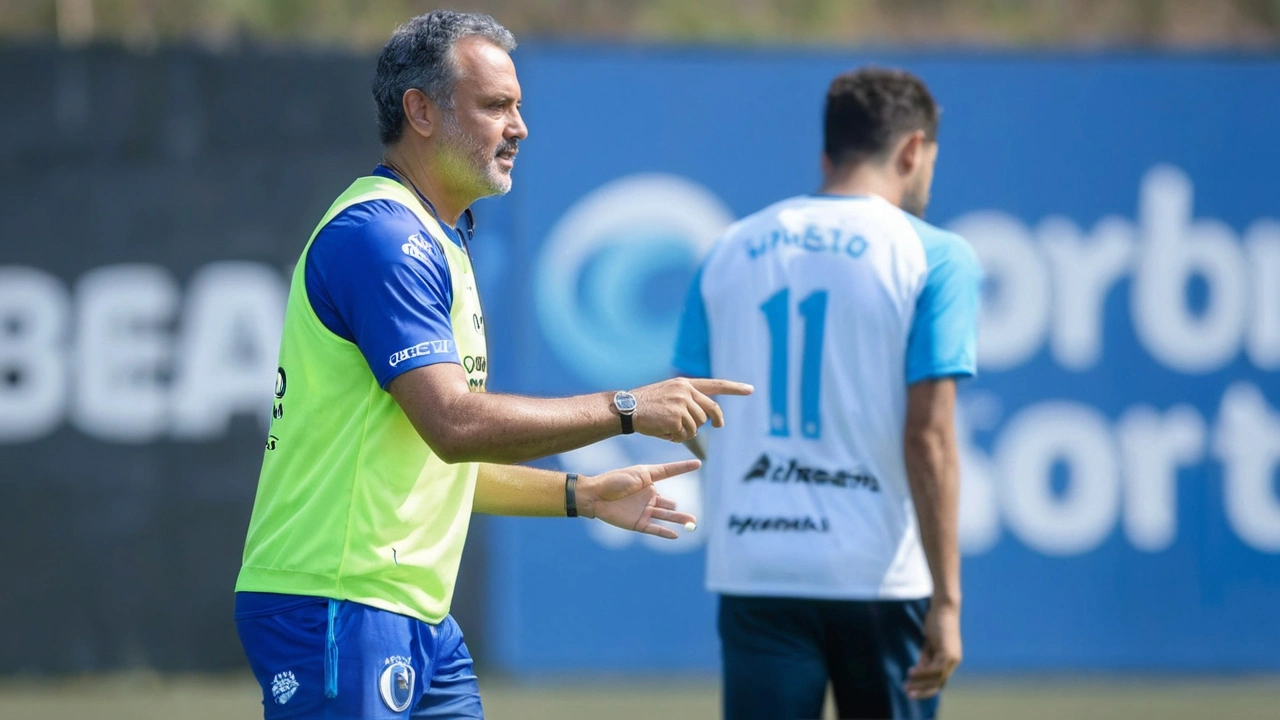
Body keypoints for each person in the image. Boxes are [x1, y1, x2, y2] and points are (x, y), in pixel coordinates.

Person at [234, 11, 752, 719]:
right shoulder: (382, 237)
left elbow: (439, 464)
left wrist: (583, 495)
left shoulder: (437, 239)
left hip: (409, 614)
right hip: (336, 603)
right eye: (495, 106)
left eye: (518, 106)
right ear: (420, 111)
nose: (520, 127)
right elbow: (455, 424)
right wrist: (626, 408)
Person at [673, 67, 981, 720]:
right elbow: (930, 437)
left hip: (756, 565)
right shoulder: (937, 256)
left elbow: (687, 412)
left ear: (827, 155)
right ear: (911, 151)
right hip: (879, 576)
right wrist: (948, 602)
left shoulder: (728, 249)